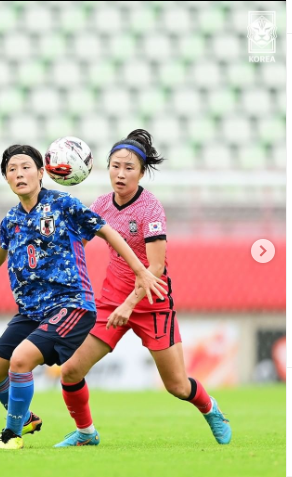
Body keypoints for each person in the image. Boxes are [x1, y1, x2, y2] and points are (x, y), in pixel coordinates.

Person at [0, 144, 167, 450]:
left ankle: (11, 433)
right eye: (12, 169)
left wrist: (141, 271)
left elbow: (107, 231)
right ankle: (25, 418)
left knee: (20, 360)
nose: (19, 173)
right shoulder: (11, 219)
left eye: (26, 167)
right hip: (30, 312)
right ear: (6, 178)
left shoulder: (63, 204)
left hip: (71, 305)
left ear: (42, 173)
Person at [55, 129, 232, 447]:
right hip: (110, 302)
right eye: (115, 166)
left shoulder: (150, 209)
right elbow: (76, 243)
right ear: (106, 167)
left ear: (141, 171)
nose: (120, 174)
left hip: (151, 303)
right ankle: (86, 433)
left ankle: (212, 410)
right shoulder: (101, 205)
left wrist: (129, 304)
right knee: (70, 371)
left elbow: (156, 268)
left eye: (129, 168)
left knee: (177, 386)